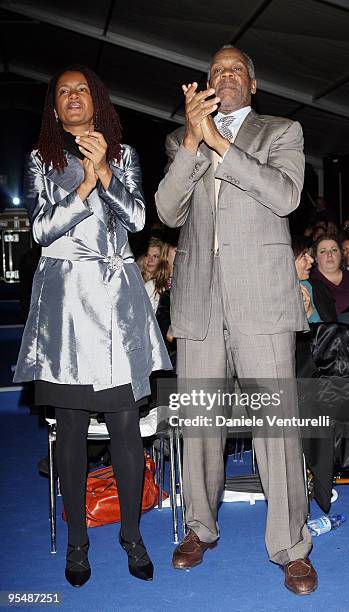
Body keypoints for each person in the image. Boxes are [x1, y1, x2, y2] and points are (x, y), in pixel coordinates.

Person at [156, 45, 318, 595]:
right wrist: (193, 143)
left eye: (234, 70)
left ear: (252, 83)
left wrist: (221, 144)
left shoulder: (282, 131)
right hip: (200, 300)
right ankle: (199, 528)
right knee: (201, 422)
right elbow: (167, 210)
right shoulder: (186, 139)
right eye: (215, 70)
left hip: (262, 301)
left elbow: (285, 195)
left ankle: (291, 547)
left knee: (276, 427)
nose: (224, 76)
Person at [13, 64, 171, 586]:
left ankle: (132, 534)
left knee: (126, 425)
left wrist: (104, 171)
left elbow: (138, 220)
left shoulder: (124, 156)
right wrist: (83, 183)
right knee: (73, 430)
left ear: (96, 100)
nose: (73, 96)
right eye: (63, 92)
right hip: (64, 308)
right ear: (55, 109)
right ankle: (78, 543)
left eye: (81, 89)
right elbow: (40, 229)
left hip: (117, 305)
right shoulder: (41, 159)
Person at [311, 234, 349, 322]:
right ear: (316, 258)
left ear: (341, 255)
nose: (329, 254)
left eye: (334, 250)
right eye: (323, 251)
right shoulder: (309, 283)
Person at [292, 237, 336, 322]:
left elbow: (329, 332)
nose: (311, 260)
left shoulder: (317, 289)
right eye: (304, 255)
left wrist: (310, 312)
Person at [139, 237, 171, 313]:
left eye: (155, 256)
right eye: (147, 255)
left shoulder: (164, 286)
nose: (150, 260)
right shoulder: (133, 281)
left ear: (162, 259)